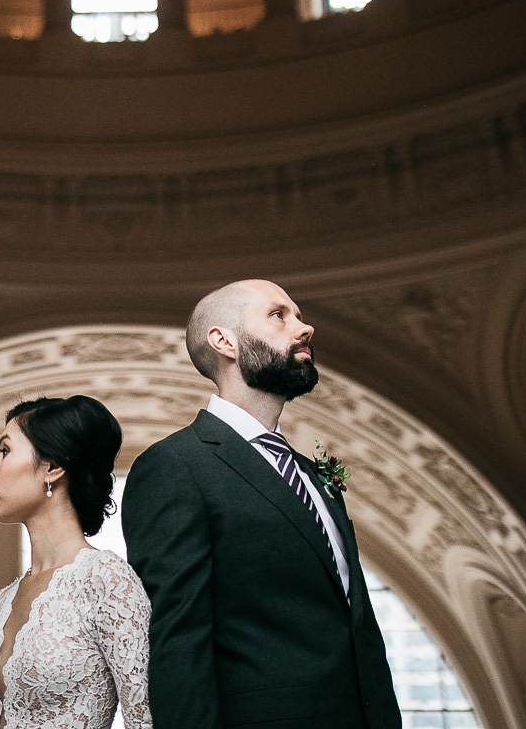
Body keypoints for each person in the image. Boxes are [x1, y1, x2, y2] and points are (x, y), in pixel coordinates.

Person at [123, 280, 402, 729]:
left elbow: (357, 627)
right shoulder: (175, 465)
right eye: (279, 315)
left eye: (299, 314)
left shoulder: (313, 474)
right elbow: (178, 642)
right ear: (224, 341)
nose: (305, 327)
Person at [0, 395, 153, 729]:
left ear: (53, 467)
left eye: (5, 451)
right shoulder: (5, 598)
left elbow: (145, 720)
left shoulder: (106, 580)